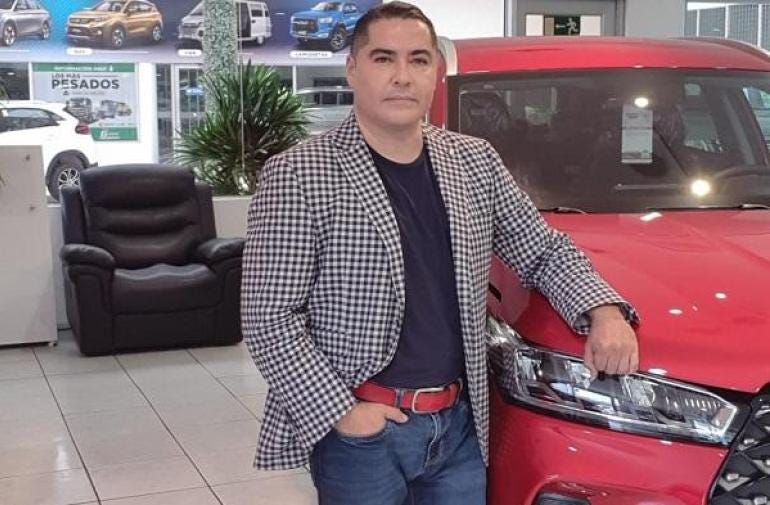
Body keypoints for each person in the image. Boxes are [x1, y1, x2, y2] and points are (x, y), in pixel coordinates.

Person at [241, 3, 640, 504]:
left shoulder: (473, 160)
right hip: (361, 433)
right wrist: (343, 414)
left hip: (457, 428)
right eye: (383, 58)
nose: (402, 76)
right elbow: (269, 317)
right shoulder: (299, 173)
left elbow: (541, 248)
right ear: (353, 69)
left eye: (418, 59)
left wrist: (603, 310)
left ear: (436, 72)